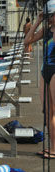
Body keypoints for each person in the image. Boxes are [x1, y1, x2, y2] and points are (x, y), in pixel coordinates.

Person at [24, 11, 55, 159]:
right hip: (45, 71)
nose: (50, 18)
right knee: (47, 112)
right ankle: (53, 146)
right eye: (49, 15)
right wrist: (37, 22)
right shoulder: (45, 30)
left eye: (52, 15)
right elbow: (27, 41)